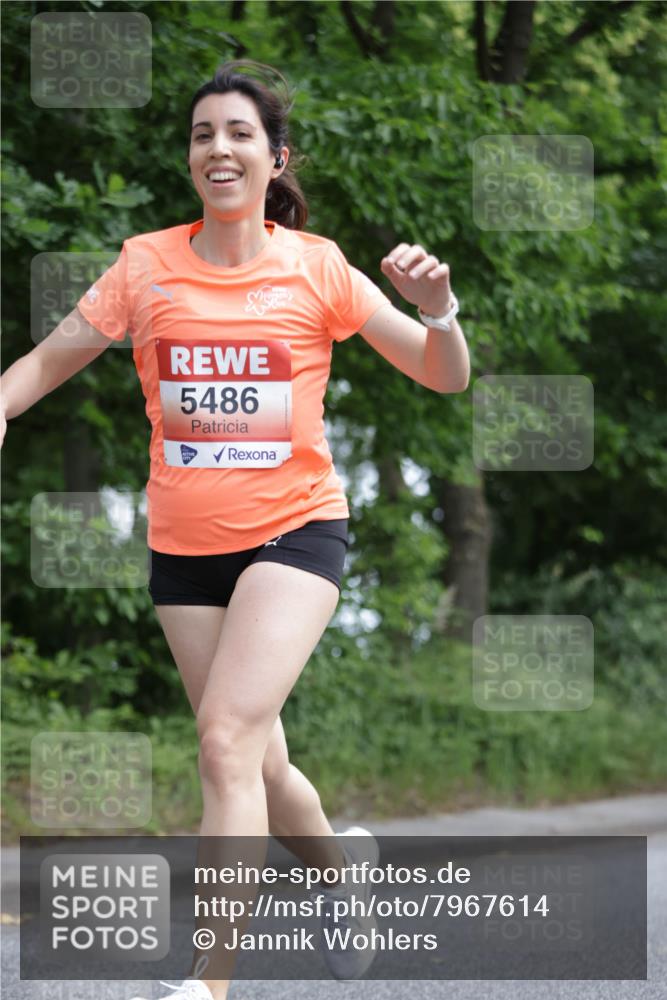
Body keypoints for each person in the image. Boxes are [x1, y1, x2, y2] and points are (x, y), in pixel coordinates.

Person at [0, 59, 469, 1000]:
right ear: (190, 158)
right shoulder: (144, 265)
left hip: (296, 533)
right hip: (183, 551)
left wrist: (439, 312)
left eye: (239, 133)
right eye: (202, 133)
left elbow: (441, 372)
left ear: (274, 158)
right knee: (260, 760)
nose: (218, 147)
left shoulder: (317, 267)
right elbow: (44, 366)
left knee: (222, 742)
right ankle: (344, 871)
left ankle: (207, 985)